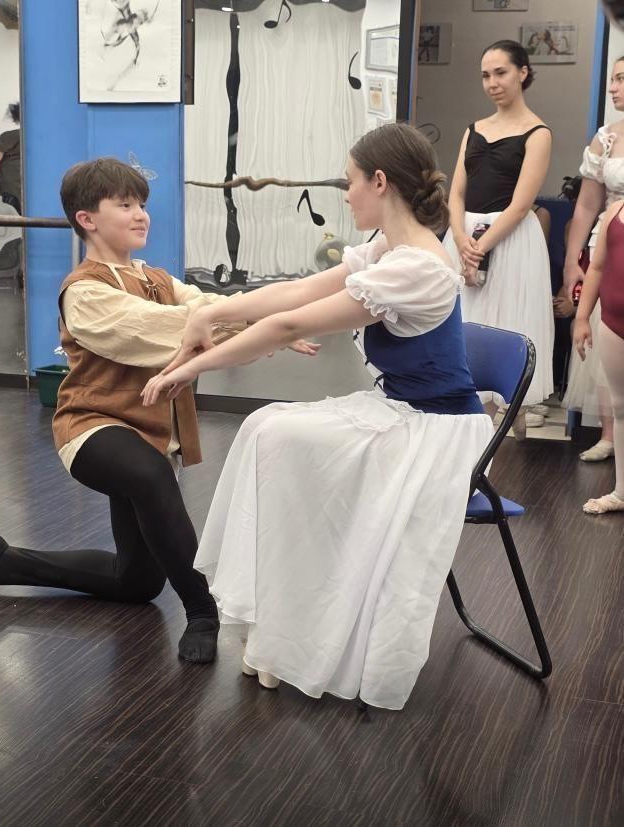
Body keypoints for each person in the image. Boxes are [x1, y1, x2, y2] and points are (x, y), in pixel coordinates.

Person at [142, 123, 495, 710]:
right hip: (402, 411)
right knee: (266, 429)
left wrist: (191, 368)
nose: (346, 194)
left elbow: (290, 324)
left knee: (280, 438)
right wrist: (211, 313)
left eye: (350, 182)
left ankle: (295, 631)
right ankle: (281, 625)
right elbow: (297, 292)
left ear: (379, 182)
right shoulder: (387, 249)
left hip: (439, 431)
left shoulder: (418, 268)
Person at [0, 158, 317, 663]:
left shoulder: (158, 279)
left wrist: (265, 325)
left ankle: (3, 562)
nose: (141, 215)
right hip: (92, 426)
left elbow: (207, 308)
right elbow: (163, 329)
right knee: (151, 476)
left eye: (142, 205)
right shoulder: (85, 291)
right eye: (125, 205)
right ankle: (203, 612)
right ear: (87, 219)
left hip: (152, 433)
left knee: (136, 583)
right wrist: (258, 329)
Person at [442, 40, 554, 438]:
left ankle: (508, 412)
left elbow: (521, 205)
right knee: (465, 320)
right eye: (486, 75)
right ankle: (474, 421)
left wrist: (480, 247)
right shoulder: (473, 129)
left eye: (501, 73)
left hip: (510, 239)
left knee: (506, 320)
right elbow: (456, 192)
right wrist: (460, 238)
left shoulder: (538, 133)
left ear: (522, 72)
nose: (492, 82)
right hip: (464, 236)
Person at [562, 58, 624, 462]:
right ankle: (609, 434)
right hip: (610, 241)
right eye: (612, 79)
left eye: (621, 79)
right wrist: (573, 260)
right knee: (605, 334)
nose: (613, 87)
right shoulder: (607, 139)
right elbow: (586, 205)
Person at [573, 198, 624, 515]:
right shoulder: (615, 211)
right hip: (613, 323)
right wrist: (582, 318)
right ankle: (622, 491)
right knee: (621, 407)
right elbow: (597, 267)